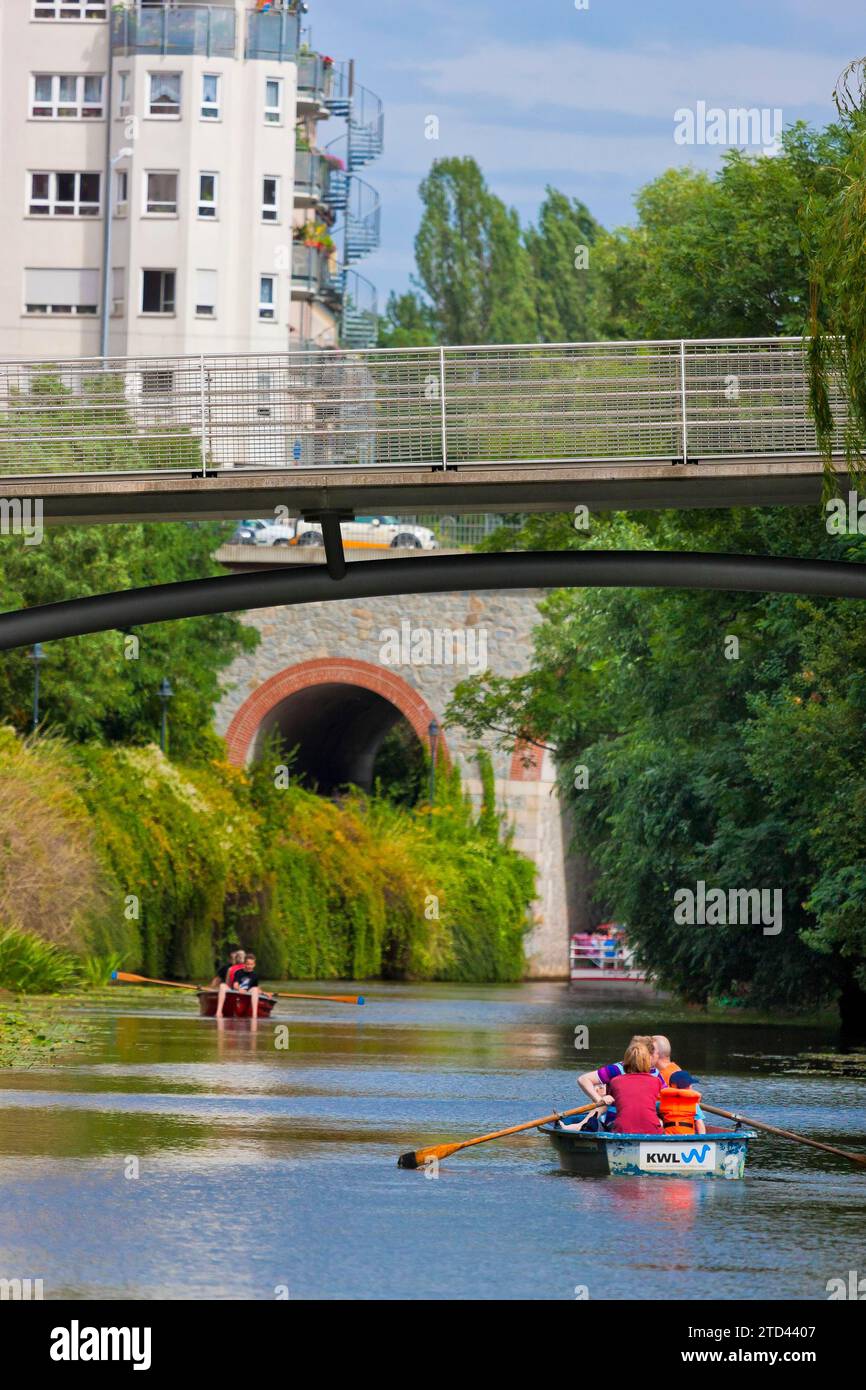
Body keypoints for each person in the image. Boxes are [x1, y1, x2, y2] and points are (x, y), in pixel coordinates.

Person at [606, 1037, 664, 1133]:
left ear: (626, 1061)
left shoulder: (615, 1081)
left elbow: (613, 1105)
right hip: (652, 1130)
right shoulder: (656, 1081)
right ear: (647, 1061)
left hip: (622, 1130)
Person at [658, 1070, 706, 1135]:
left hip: (669, 1136)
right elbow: (699, 1123)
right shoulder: (693, 1104)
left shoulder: (662, 1103)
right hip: (688, 1137)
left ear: (671, 1086)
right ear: (689, 1087)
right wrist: (702, 1138)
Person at [213, 945, 245, 1019]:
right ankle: (219, 1011)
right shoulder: (228, 968)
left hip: (242, 992)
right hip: (233, 991)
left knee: (223, 986)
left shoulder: (245, 969)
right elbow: (218, 980)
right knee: (222, 985)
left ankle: (219, 1012)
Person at [232, 952, 262, 1020]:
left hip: (248, 994)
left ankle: (254, 1015)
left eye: (251, 964)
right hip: (239, 993)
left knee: (255, 989)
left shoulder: (255, 975)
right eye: (247, 964)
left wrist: (264, 993)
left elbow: (256, 987)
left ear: (254, 965)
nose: (249, 966)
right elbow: (235, 985)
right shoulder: (238, 972)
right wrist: (239, 989)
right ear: (244, 964)